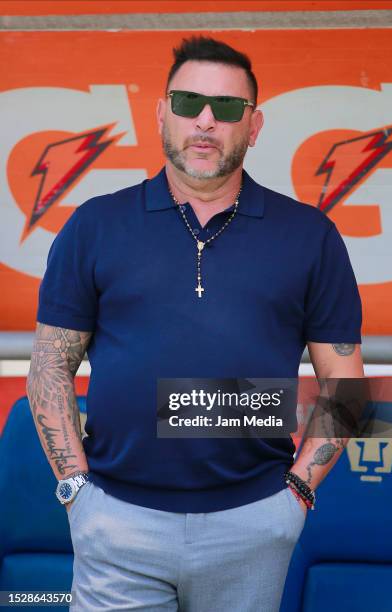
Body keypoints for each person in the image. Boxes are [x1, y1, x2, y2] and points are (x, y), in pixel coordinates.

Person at [27, 36, 364, 611]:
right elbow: (50, 365)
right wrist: (76, 492)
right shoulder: (95, 226)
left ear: (254, 127)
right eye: (188, 103)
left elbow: (345, 380)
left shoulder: (309, 235)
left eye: (228, 109)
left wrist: (298, 490)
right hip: (116, 522)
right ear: (162, 113)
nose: (205, 121)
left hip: (254, 523)